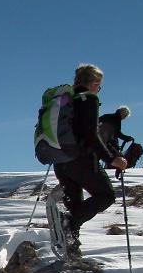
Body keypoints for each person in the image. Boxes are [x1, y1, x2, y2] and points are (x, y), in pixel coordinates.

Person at [51, 64, 127, 254]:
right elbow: (90, 135)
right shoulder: (88, 99)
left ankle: (71, 251)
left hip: (61, 161)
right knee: (106, 195)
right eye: (99, 85)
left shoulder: (65, 100)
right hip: (81, 160)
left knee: (76, 207)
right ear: (93, 83)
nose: (98, 89)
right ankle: (68, 224)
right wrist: (111, 159)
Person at [99, 105, 143, 178]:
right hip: (109, 142)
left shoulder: (106, 116)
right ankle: (116, 173)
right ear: (123, 113)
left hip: (99, 140)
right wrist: (126, 138)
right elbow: (117, 133)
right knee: (116, 157)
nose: (124, 118)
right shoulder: (116, 119)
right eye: (125, 116)